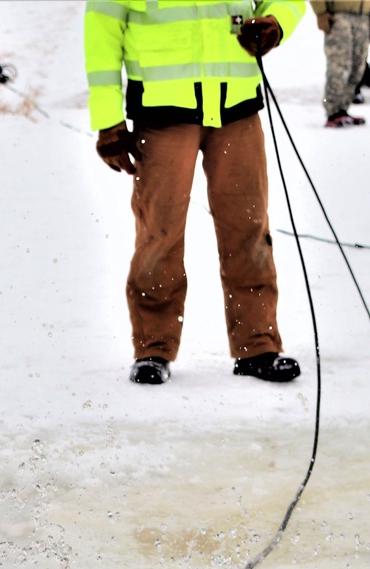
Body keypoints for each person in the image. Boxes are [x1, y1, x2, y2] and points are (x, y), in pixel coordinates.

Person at [84, 0, 306, 386]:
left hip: (236, 107)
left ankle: (258, 345)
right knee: (160, 232)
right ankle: (153, 347)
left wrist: (275, 22)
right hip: (162, 112)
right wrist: (107, 120)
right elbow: (102, 32)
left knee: (248, 228)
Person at [311, 1, 370, 127]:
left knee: (358, 66)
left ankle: (343, 109)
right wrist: (321, 12)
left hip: (363, 16)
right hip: (339, 16)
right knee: (339, 65)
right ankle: (333, 111)